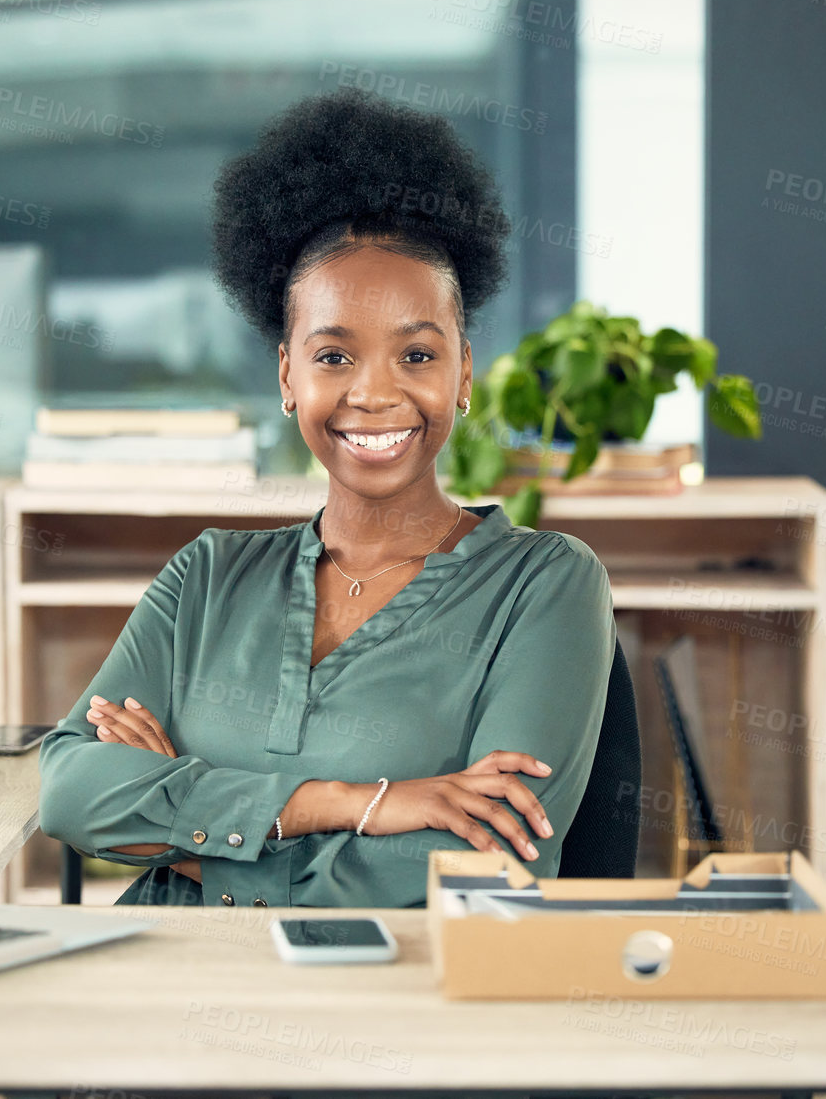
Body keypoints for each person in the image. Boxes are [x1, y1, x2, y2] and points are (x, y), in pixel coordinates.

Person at [36, 88, 616, 908]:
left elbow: (485, 871)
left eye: (415, 356)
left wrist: (188, 818)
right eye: (334, 357)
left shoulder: (542, 585)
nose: (374, 394)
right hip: (159, 982)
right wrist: (356, 804)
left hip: (382, 1002)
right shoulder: (207, 577)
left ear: (463, 376)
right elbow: (70, 792)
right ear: (286, 377)